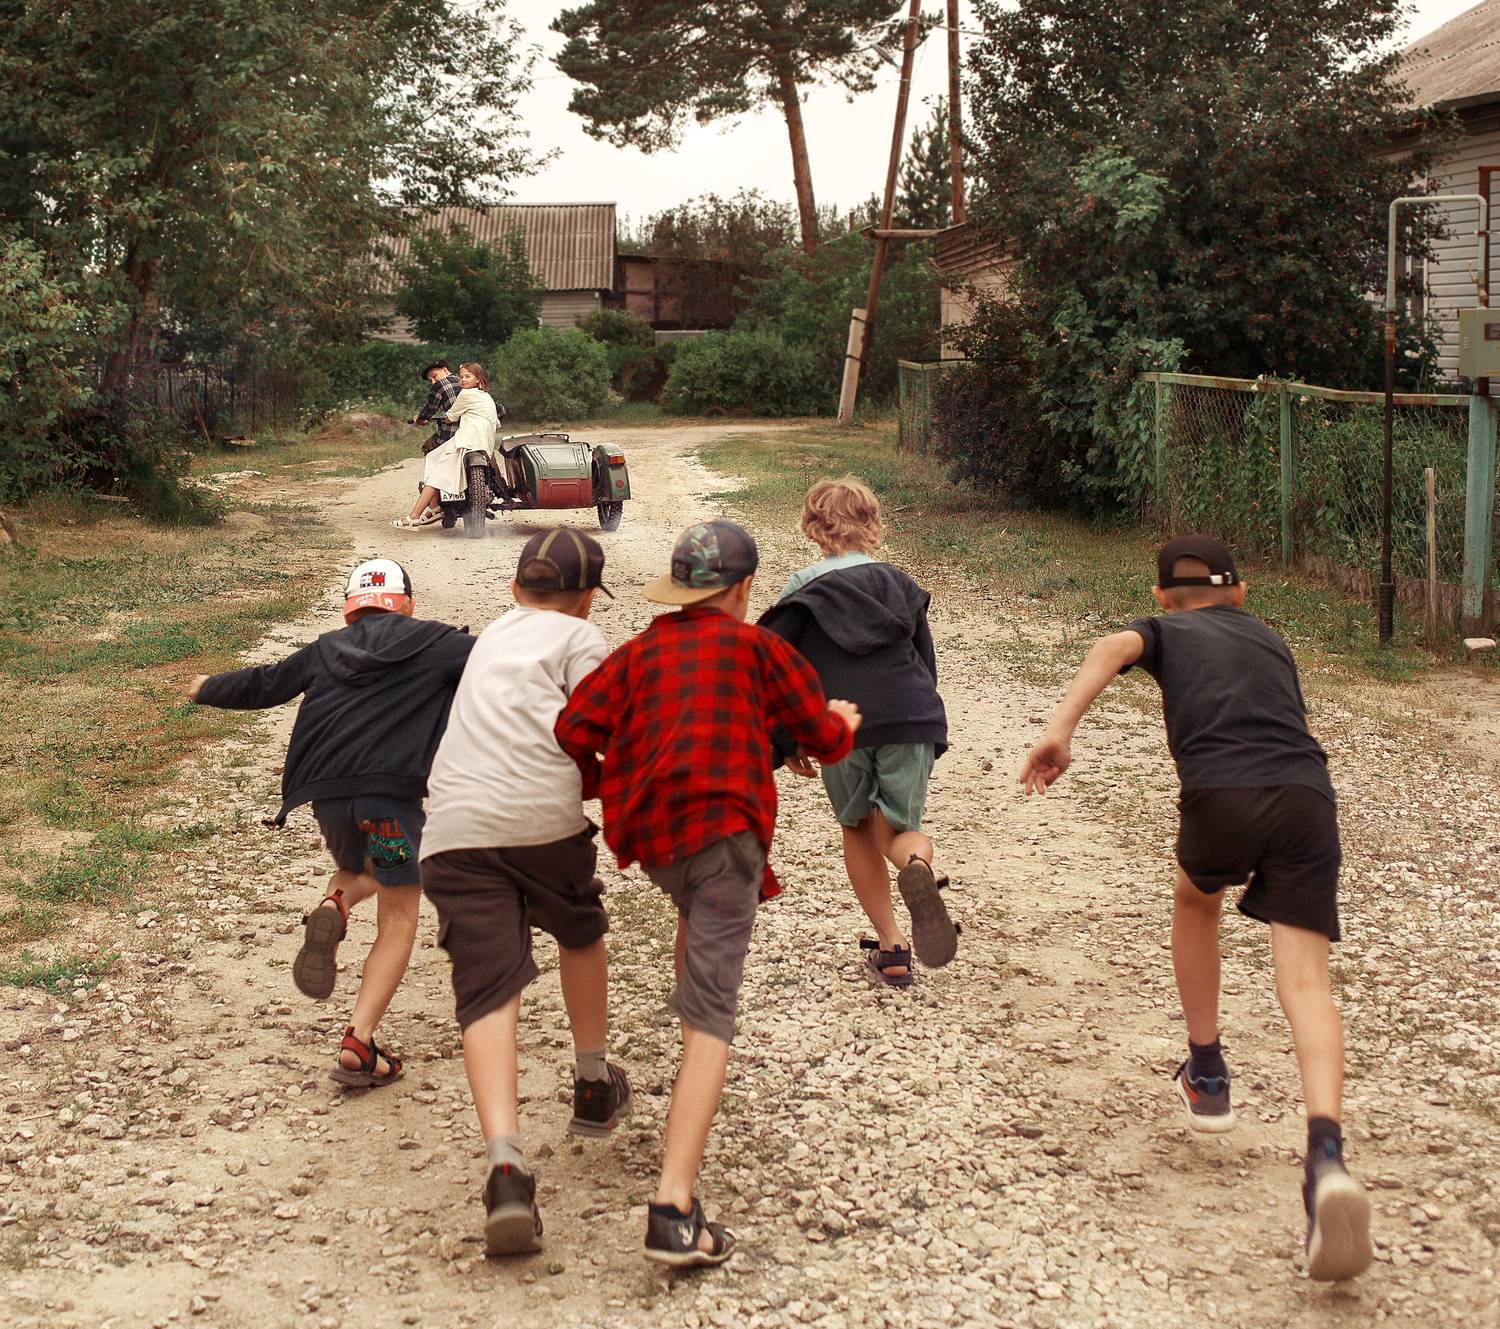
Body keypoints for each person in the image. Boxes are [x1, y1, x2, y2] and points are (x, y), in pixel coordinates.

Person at [1017, 535, 1372, 1283]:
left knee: (1194, 897)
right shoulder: (1269, 637)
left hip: (1221, 794)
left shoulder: (1161, 630)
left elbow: (1113, 645)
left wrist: (1059, 730)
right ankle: (1327, 1156)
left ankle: (1207, 1070)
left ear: (1161, 598)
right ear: (1240, 593)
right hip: (1307, 797)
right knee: (1306, 982)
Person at [555, 519, 861, 1268]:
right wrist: (842, 724)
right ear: (745, 588)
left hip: (655, 838)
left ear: (680, 589)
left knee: (695, 916)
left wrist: (614, 775)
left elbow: (573, 727)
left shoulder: (639, 651)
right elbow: (818, 736)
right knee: (712, 1016)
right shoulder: (759, 649)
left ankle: (691, 996)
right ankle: (673, 1210)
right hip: (725, 834)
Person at [419, 528, 630, 1255]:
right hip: (541, 819)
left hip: (452, 827)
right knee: (579, 927)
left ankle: (505, 1166)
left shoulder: (489, 638)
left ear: (515, 589)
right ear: (587, 599)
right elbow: (602, 726)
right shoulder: (582, 638)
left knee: (487, 987)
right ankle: (592, 1079)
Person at [186, 559, 474, 1086]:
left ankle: (334, 903)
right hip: (388, 802)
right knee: (398, 916)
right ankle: (358, 1042)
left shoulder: (325, 649)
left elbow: (265, 683)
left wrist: (207, 686)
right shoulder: (438, 645)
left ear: (349, 610)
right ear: (407, 604)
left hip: (328, 797)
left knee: (362, 869)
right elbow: (503, 663)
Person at [759, 477, 955, 987]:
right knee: (898, 831)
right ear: (872, 524)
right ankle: (916, 865)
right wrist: (924, 724)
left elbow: (783, 670)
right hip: (909, 714)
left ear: (812, 527)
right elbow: (925, 661)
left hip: (841, 722)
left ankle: (892, 947)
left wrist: (788, 738)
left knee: (857, 826)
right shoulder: (898, 583)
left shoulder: (802, 588)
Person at [395, 362, 499, 529]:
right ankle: (434, 506)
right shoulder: (486, 396)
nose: (462, 380)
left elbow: (447, 415)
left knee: (434, 465)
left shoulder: (462, 393)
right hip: (484, 442)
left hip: (465, 440)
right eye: (462, 376)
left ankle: (420, 513)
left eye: (467, 376)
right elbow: (497, 418)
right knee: (437, 461)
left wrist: (422, 419)